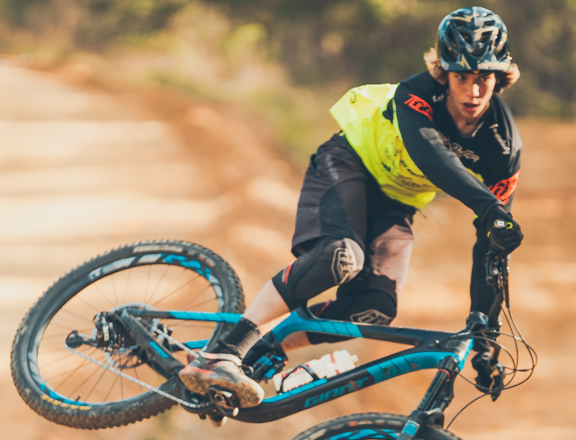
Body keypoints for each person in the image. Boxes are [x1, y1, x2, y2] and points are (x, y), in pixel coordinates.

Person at [179, 6, 525, 409]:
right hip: (348, 162)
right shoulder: (415, 94)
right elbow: (430, 155)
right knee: (341, 257)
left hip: (394, 203)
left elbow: (490, 250)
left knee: (374, 308)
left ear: (500, 77)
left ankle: (263, 351)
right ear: (443, 74)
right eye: (461, 77)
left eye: (483, 78)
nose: (472, 91)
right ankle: (223, 352)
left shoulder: (503, 149)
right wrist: (489, 207)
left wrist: (485, 339)